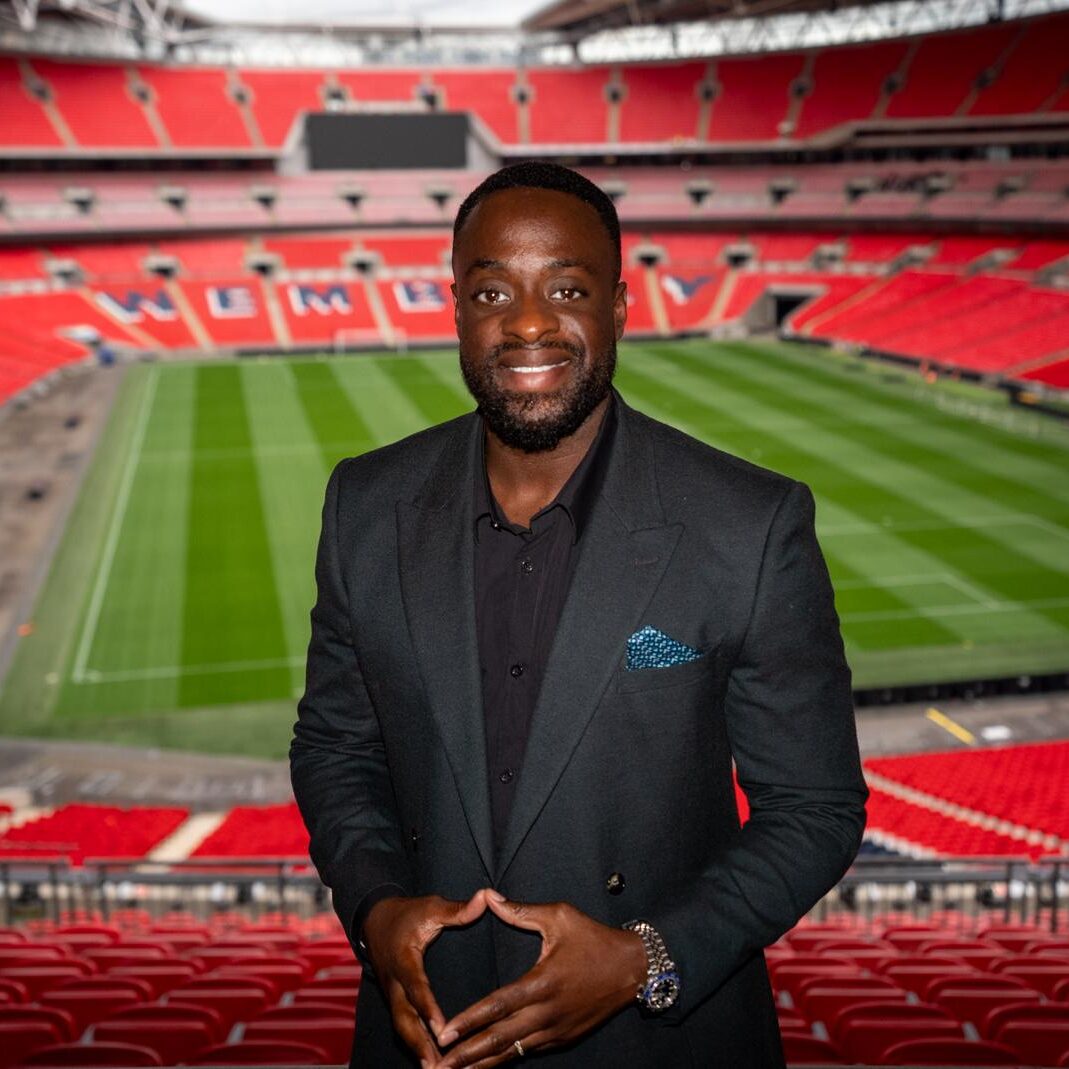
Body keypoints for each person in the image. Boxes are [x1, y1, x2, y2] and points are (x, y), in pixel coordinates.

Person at [290, 161, 867, 1069]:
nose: (527, 321)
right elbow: (335, 746)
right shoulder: (365, 503)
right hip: (427, 1036)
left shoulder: (748, 522)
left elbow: (816, 807)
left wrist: (647, 956)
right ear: (454, 306)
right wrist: (374, 906)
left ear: (620, 307)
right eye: (492, 289)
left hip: (658, 1046)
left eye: (565, 287)